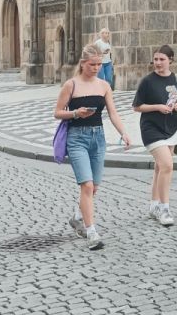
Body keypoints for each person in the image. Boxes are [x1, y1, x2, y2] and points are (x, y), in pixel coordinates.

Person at [53, 44, 131, 251]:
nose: (96, 68)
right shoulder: (71, 85)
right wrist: (75, 113)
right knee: (86, 185)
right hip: (76, 138)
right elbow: (57, 112)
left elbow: (113, 113)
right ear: (82, 63)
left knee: (94, 187)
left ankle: (78, 216)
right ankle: (92, 232)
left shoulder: (104, 85)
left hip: (98, 138)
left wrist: (123, 132)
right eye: (92, 64)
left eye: (99, 64)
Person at [133, 45, 177, 226]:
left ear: (170, 60)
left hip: (171, 128)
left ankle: (154, 205)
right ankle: (164, 209)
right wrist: (157, 107)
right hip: (151, 128)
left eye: (162, 59)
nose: (157, 62)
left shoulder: (176, 79)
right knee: (167, 166)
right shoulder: (147, 81)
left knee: (159, 168)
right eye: (155, 59)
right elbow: (137, 106)